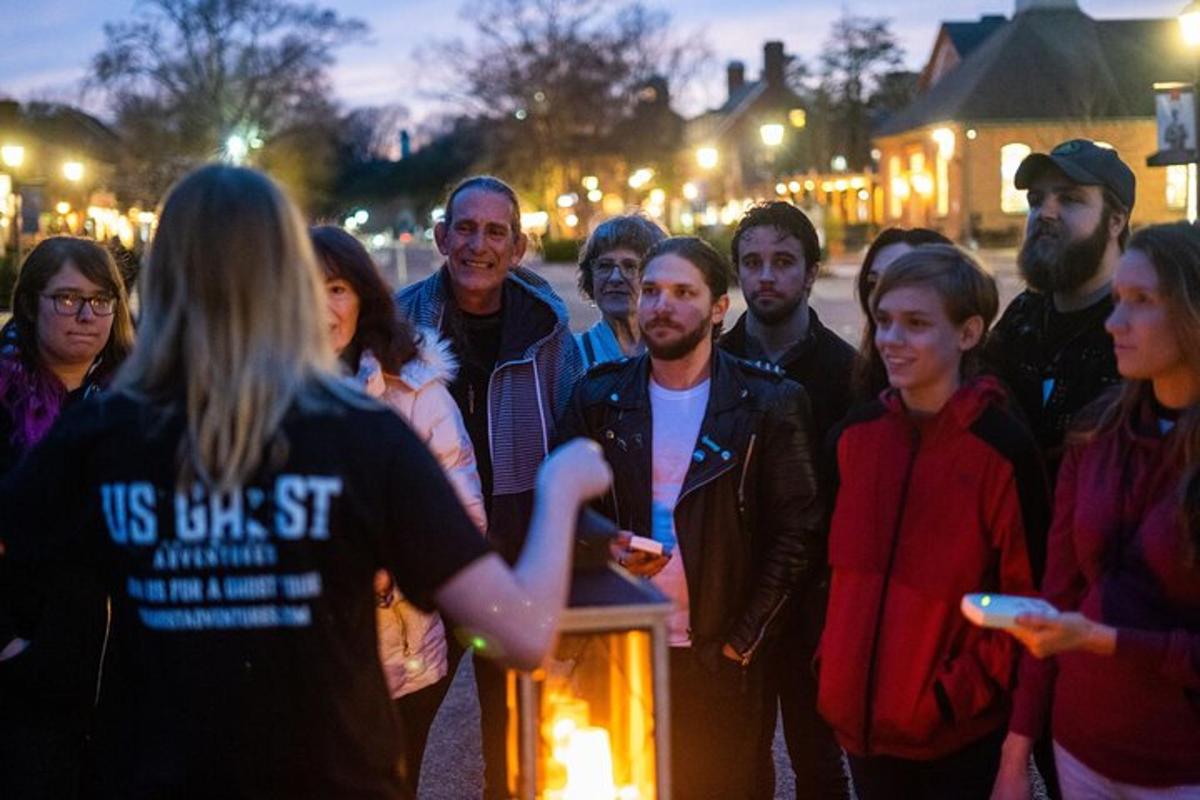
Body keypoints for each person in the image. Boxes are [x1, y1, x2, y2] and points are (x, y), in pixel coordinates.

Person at [0, 165, 611, 800]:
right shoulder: (361, 435)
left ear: (166, 275)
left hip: (156, 772)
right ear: (286, 275)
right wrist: (562, 489)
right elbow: (518, 632)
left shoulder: (99, 434)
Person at [559, 235, 823, 799]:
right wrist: (605, 543)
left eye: (683, 292)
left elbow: (797, 536)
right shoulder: (599, 397)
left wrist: (740, 645)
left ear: (718, 307)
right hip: (626, 649)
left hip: (719, 658)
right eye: (650, 290)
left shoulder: (769, 403)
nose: (661, 305)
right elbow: (558, 506)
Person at [818, 245, 1049, 800]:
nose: (889, 340)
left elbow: (1026, 603)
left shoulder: (1001, 449)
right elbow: (837, 577)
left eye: (916, 324)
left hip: (953, 738)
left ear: (968, 333)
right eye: (883, 321)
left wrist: (951, 698)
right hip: (861, 727)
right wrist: (833, 666)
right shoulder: (855, 439)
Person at [994, 222, 1200, 800]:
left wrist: (1107, 639)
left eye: (1141, 302)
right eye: (1116, 301)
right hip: (1081, 749)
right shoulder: (1097, 432)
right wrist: (1015, 753)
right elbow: (1055, 593)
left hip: (1181, 766)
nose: (1114, 323)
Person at [395, 175, 583, 798]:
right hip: (424, 560)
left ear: (519, 246)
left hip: (511, 561)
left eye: (495, 231)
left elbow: (571, 434)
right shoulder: (397, 326)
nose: (479, 244)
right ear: (441, 236)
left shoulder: (549, 333)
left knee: (516, 737)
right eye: (466, 228)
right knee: (398, 729)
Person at [310, 224, 486, 797]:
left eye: (336, 288)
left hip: (400, 653)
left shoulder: (413, 391)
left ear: (362, 296)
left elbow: (462, 517)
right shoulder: (250, 397)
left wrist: (388, 565)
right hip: (293, 656)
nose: (320, 305)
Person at [718, 201, 856, 799]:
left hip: (815, 601)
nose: (766, 276)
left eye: (782, 261)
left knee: (818, 759)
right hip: (732, 592)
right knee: (737, 760)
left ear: (811, 271)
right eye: (752, 262)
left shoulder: (848, 373)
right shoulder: (712, 362)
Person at [0, 236, 135, 800]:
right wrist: (9, 642)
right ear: (30, 304)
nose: (86, 315)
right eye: (67, 299)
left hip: (123, 677)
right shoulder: (2, 401)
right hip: (22, 679)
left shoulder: (136, 401)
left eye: (101, 300)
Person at [986, 139, 1134, 475]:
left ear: (1116, 221)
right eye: (1036, 201)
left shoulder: (1140, 326)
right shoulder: (1022, 317)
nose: (1045, 213)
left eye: (1069, 199)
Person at [851, 228, 952, 402]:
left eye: (900, 281)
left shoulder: (986, 407)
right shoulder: (859, 382)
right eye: (873, 282)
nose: (881, 297)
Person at [574, 213, 667, 369]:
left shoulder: (679, 352)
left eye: (630, 266)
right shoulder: (571, 356)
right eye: (604, 266)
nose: (615, 278)